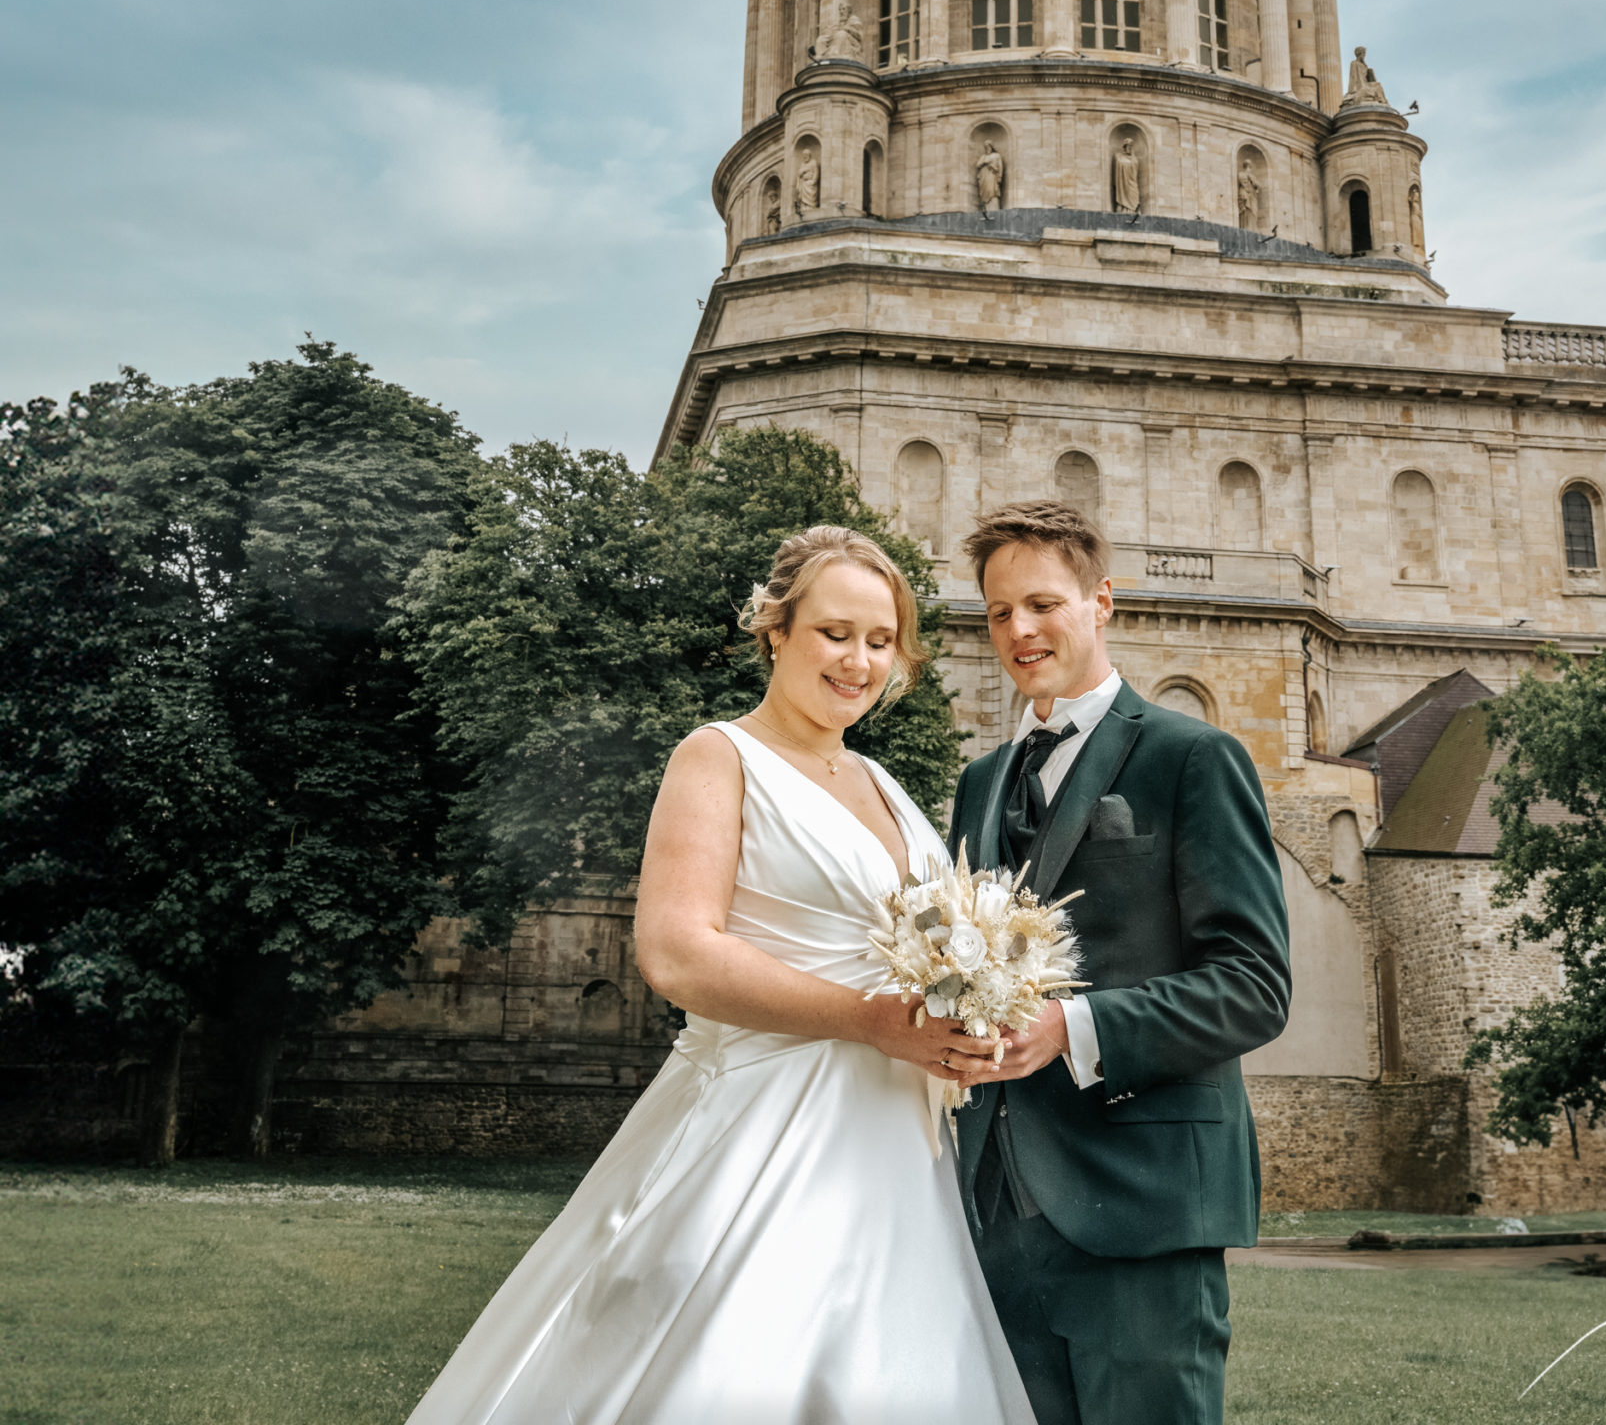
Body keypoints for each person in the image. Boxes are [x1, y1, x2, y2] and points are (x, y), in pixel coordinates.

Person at [406, 524, 1035, 1425]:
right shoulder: (719, 756)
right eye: (834, 632)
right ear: (775, 630)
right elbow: (676, 952)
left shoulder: (885, 784)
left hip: (893, 1136)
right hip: (758, 1119)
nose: (858, 660)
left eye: (881, 640)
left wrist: (967, 1018)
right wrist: (870, 1019)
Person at [948, 501, 1291, 1425]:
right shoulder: (978, 784)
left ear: (1103, 601)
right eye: (998, 613)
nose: (1019, 631)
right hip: (996, 1205)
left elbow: (1254, 986)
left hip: (1146, 1202)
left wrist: (1072, 1028)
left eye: (1043, 605)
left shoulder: (1195, 758)